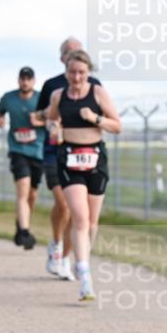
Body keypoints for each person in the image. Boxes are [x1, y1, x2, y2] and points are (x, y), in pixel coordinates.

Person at [45, 50, 121, 301]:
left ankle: (81, 258)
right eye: (72, 72)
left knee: (91, 223)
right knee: (80, 217)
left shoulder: (97, 93)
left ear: (88, 73)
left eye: (81, 72)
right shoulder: (58, 95)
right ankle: (85, 276)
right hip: (69, 159)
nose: (76, 77)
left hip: (96, 158)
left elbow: (117, 126)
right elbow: (51, 118)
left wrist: (95, 117)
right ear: (66, 72)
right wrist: (54, 128)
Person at [34, 37, 103, 279]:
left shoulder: (94, 85)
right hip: (57, 153)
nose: (74, 57)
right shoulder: (52, 86)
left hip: (86, 154)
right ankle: (56, 245)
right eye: (69, 53)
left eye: (79, 53)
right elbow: (39, 116)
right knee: (64, 204)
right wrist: (51, 121)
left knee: (80, 215)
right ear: (62, 58)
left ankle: (66, 257)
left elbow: (105, 117)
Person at [0, 66, 46, 249]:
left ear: (33, 81)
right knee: (22, 190)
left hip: (37, 151)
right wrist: (0, 119)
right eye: (22, 78)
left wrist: (39, 122)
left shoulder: (42, 98)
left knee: (32, 194)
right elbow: (0, 111)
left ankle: (22, 224)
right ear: (18, 80)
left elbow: (54, 119)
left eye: (28, 79)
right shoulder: (9, 98)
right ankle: (25, 232)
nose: (25, 82)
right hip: (18, 150)